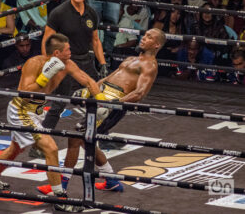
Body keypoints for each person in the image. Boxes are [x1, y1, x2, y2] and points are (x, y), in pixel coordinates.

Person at [0, 33, 106, 212]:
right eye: (68, 49)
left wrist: (101, 100)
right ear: (57, 52)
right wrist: (44, 77)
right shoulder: (34, 64)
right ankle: (60, 199)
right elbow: (24, 93)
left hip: (36, 113)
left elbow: (88, 81)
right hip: (21, 111)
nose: (71, 51)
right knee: (51, 149)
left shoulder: (68, 64)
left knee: (15, 149)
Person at [37, 28, 166, 195]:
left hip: (112, 103)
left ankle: (61, 186)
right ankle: (112, 180)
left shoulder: (149, 65)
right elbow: (110, 77)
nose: (144, 38)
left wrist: (114, 103)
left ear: (156, 45)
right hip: (102, 96)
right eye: (145, 34)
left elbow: (140, 93)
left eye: (149, 37)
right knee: (86, 141)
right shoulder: (132, 58)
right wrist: (91, 89)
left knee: (75, 138)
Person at [40, 0, 108, 132]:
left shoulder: (91, 13)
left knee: (98, 97)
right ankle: (41, 138)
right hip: (67, 63)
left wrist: (103, 63)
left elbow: (95, 40)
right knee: (59, 103)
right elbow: (46, 39)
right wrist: (47, 63)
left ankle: (97, 132)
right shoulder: (59, 13)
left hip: (86, 60)